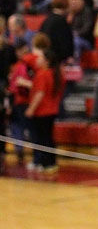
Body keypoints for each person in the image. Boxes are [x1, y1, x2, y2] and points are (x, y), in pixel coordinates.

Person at [24, 36, 63, 173]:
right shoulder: (55, 74)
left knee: (41, 138)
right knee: (48, 138)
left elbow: (39, 94)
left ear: (47, 61)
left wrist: (31, 109)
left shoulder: (42, 74)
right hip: (52, 110)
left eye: (40, 58)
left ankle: (43, 162)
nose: (37, 60)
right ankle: (50, 162)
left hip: (42, 111)